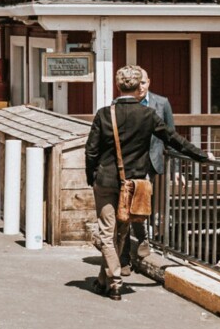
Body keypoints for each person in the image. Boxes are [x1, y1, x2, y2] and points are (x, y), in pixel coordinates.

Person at [87, 65, 209, 300]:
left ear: (118, 85)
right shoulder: (149, 115)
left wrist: (90, 176)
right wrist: (200, 156)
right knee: (121, 231)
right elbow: (173, 140)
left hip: (106, 179)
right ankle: (104, 280)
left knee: (106, 231)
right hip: (133, 183)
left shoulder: (104, 114)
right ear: (137, 86)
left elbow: (91, 151)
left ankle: (113, 279)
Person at [122, 68, 178, 275]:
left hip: (150, 163)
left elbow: (171, 136)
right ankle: (130, 251)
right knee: (127, 209)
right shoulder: (123, 104)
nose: (141, 87)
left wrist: (177, 170)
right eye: (138, 84)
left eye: (144, 83)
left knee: (141, 205)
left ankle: (142, 242)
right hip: (129, 163)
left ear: (149, 82)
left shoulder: (161, 104)